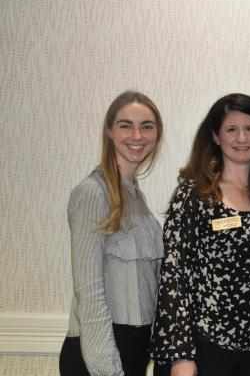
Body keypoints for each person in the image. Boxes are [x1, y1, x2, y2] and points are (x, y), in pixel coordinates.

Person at [150, 94, 250, 376]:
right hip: (207, 345)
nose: (241, 137)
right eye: (231, 129)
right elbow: (175, 274)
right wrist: (181, 354)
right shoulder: (194, 195)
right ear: (216, 137)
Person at [59, 91, 164, 376]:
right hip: (100, 353)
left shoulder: (137, 199)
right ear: (109, 132)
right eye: (125, 125)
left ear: (157, 134)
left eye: (147, 126)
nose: (137, 135)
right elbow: (89, 291)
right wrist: (107, 369)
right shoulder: (93, 193)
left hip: (134, 346)